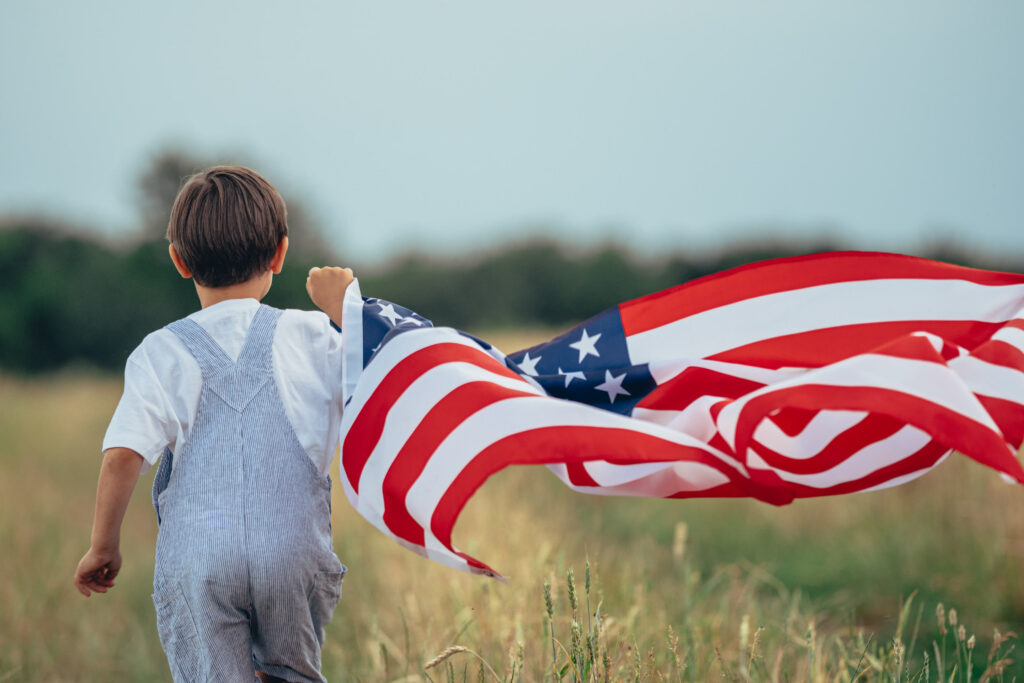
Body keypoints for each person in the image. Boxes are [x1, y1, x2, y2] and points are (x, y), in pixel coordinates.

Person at [73, 165, 355, 683]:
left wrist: (103, 544)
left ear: (179, 261)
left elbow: (121, 456)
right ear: (280, 253)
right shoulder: (310, 333)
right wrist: (347, 309)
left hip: (201, 564)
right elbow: (377, 375)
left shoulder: (161, 352)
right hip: (292, 557)